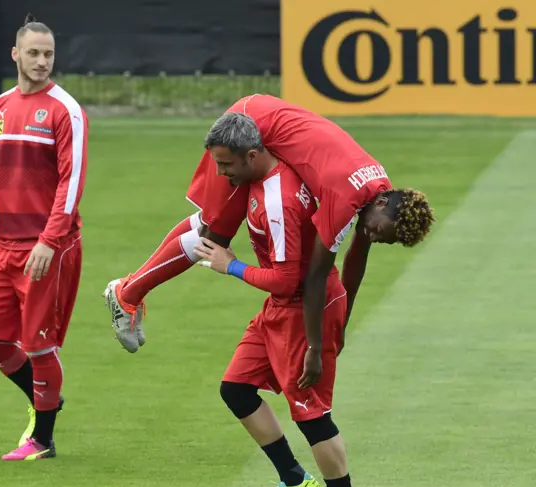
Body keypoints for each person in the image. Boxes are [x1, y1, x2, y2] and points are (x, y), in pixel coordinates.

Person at [103, 95, 434, 357]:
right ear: (379, 206)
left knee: (211, 225)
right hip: (251, 124)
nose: (372, 236)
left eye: (382, 240)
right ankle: (127, 294)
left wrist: (341, 325)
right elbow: (317, 275)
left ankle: (128, 291)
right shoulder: (344, 196)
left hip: (264, 114)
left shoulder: (381, 190)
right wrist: (320, 345)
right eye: (378, 230)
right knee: (213, 235)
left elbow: (356, 260)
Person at [192, 112, 365, 487]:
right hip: (281, 308)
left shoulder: (278, 200)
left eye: (227, 164)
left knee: (312, 414)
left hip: (305, 309)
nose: (221, 172)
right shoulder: (264, 179)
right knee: (235, 388)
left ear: (253, 154)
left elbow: (288, 279)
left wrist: (229, 265)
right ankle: (294, 480)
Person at [0, 14, 88, 461]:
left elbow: (72, 184)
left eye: (48, 54)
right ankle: (44, 395)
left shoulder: (65, 110)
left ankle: (44, 439)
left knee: (38, 342)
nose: (41, 61)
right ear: (15, 55)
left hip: (46, 249)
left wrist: (50, 242)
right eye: (33, 53)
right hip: (2, 246)